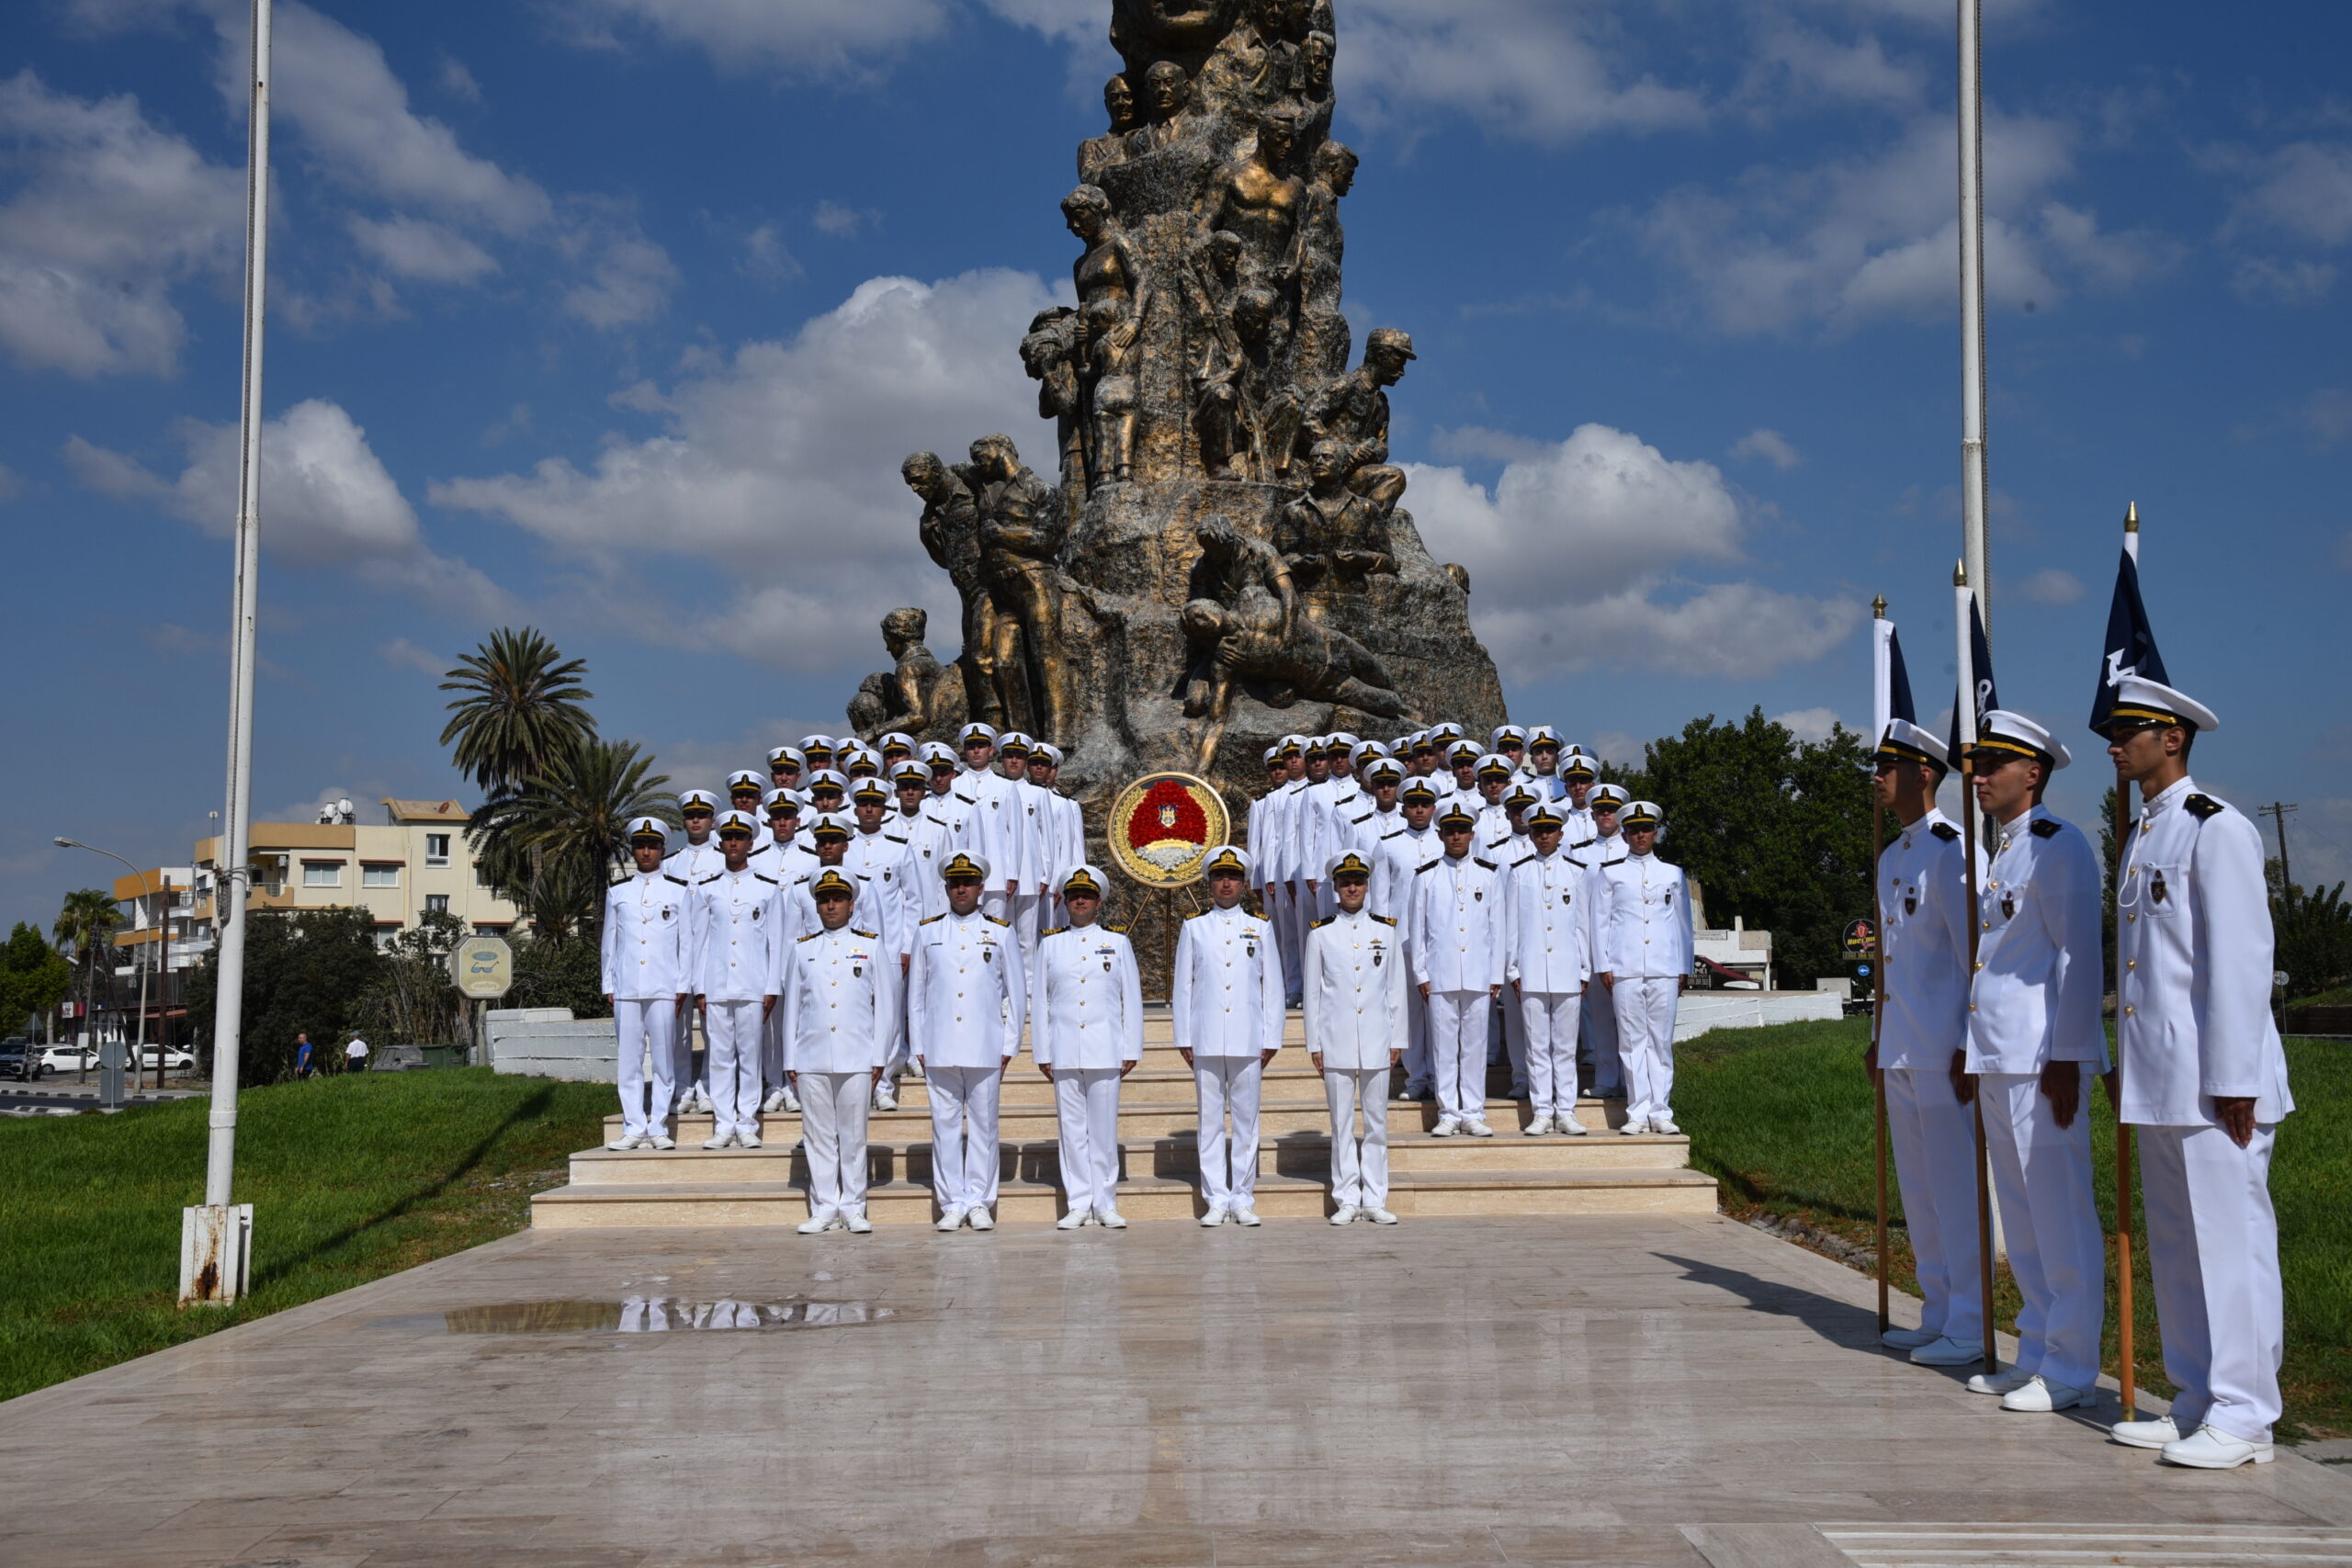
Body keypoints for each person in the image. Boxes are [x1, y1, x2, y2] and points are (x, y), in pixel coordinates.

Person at [2098, 677, 2295, 1469]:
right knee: (2178, 1245)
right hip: (2161, 1077)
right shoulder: (2143, 835)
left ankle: (2247, 1414)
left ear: (2173, 737)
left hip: (2219, 1083)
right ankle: (2196, 1399)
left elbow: (2245, 960)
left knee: (2232, 1240)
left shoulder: (2218, 828)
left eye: (2129, 728)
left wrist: (2238, 1076)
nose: (2115, 739)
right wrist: (2126, 1064)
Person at [1961, 710, 2108, 1415]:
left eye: (1993, 765)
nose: (1979, 777)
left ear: (2034, 773)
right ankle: (2039, 1351)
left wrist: (2070, 1056)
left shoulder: (2060, 845)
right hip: (1999, 1055)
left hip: (2039, 1058)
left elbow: (2078, 957)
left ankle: (2074, 1365)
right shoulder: (2004, 853)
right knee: (2021, 1218)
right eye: (1978, 764)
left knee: (2059, 1212)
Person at [1867, 719, 1987, 1368]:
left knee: (1954, 1187)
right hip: (1901, 1045)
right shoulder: (1892, 856)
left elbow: (1976, 958)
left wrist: (1974, 1041)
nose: (1878, 778)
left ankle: (1970, 1319)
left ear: (1925, 773)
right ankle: (1938, 1308)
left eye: (1889, 766)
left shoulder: (1954, 850)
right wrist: (1876, 1037)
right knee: (1919, 1189)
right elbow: (1890, 961)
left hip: (1945, 1047)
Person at [909, 852, 1025, 1233]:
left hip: (985, 1045)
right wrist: (918, 1046)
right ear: (946, 888)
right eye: (955, 883)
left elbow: (1017, 994)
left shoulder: (1001, 931)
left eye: (968, 883)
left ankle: (978, 1200)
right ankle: (951, 1202)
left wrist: (1009, 1046)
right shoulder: (927, 932)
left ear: (979, 888)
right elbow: (917, 997)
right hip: (939, 1045)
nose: (961, 889)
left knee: (984, 1126)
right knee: (943, 1128)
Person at [1171, 846, 1286, 1226]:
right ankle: (1216, 1198)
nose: (1226, 883)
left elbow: (1273, 985)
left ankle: (1242, 1196)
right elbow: (1183, 987)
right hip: (1205, 1037)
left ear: (1243, 883)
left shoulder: (1261, 926)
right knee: (1209, 1122)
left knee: (1246, 1121)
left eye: (1233, 877)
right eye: (1220, 876)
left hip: (1248, 1037)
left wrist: (1271, 1038)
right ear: (1209, 882)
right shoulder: (1194, 927)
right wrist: (1183, 1037)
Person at [780, 868, 895, 1235]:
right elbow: (792, 1009)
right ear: (816, 906)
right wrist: (789, 1059)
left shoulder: (871, 946)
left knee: (854, 1135)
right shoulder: (802, 949)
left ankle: (854, 1206)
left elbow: (887, 1009)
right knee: (817, 1136)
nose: (831, 905)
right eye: (824, 900)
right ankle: (825, 1205)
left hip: (857, 1055)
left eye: (838, 899)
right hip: (811, 1055)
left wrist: (880, 1059)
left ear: (851, 904)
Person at [1033, 864, 1144, 1229]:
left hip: (1105, 1048)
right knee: (1072, 1131)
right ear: (1065, 902)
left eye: (1087, 895)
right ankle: (1078, 1202)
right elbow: (1041, 1003)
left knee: (1103, 1131)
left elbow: (1132, 998)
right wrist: (1042, 1052)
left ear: (1099, 902)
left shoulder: (1117, 942)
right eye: (1073, 895)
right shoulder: (1049, 944)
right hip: (1064, 1049)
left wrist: (1131, 1049)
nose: (1080, 900)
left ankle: (1106, 1202)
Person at [1304, 850, 1407, 1224]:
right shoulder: (1321, 934)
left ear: (1368, 886)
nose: (1352, 888)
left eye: (1358, 882)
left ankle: (1376, 1197)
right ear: (1335, 887)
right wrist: (1314, 1044)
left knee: (1377, 1123)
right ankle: (1347, 1196)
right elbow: (1314, 994)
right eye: (1345, 882)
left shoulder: (1385, 930)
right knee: (1342, 1124)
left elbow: (1396, 990)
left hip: (1378, 1038)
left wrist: (1399, 1039)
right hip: (1336, 1039)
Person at [1592, 802, 1691, 1136]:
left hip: (1664, 967)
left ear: (1655, 833)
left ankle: (1661, 1110)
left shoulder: (1672, 873)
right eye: (1633, 830)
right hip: (1626, 967)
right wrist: (1604, 964)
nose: (1640, 835)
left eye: (1645, 829)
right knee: (1632, 1042)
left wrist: (1683, 966)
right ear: (1624, 834)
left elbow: (1682, 926)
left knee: (1660, 1042)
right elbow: (1600, 923)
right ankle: (1637, 1111)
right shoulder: (1611, 873)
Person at [1409, 802, 1505, 1138]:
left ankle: (1474, 1111)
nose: (1456, 836)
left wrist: (1496, 975)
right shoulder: (1426, 877)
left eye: (1461, 830)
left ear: (1472, 834)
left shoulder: (1488, 875)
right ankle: (1448, 1112)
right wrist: (1421, 974)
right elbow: (1417, 931)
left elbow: (1498, 930)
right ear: (1440, 835)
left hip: (1478, 975)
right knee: (1444, 1047)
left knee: (1475, 1046)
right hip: (1440, 974)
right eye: (1450, 831)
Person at [1499, 804, 1595, 1136]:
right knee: (1537, 1045)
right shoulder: (1518, 872)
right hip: (1531, 970)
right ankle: (1542, 1110)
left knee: (1566, 1047)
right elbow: (1510, 925)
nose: (1544, 836)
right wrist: (1512, 969)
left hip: (1568, 970)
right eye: (1538, 830)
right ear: (1531, 833)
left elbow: (1583, 926)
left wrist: (1585, 970)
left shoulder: (1577, 872)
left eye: (1550, 830)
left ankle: (1566, 1110)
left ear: (1560, 834)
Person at [688, 811, 782, 1150]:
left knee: (750, 1056)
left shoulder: (768, 888)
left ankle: (747, 1123)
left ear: (750, 843)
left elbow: (776, 943)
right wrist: (699, 987)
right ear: (721, 842)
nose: (733, 843)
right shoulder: (707, 889)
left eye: (740, 838)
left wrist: (772, 987)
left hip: (753, 985)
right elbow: (698, 941)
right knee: (720, 1058)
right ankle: (724, 1124)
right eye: (728, 837)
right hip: (716, 985)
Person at [600, 818, 690, 1151]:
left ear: (663, 850)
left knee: (664, 1060)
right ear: (634, 850)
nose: (647, 851)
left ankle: (658, 1125)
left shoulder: (678, 891)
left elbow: (687, 943)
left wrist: (683, 983)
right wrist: (608, 982)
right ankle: (633, 1126)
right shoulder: (617, 892)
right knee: (629, 1061)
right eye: (641, 846)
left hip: (664, 986)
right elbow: (609, 942)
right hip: (626, 987)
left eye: (652, 846)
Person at [1380, 777, 1443, 1100]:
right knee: (1409, 1013)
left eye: (1425, 804)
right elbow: (1380, 898)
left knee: (1440, 1013)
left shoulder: (1445, 841)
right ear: (1403, 809)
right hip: (1402, 938)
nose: (1419, 810)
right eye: (1413, 804)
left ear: (1434, 807)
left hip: (1441, 941)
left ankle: (1441, 1077)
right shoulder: (1389, 844)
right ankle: (1417, 1076)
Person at [1578, 784, 1632, 1100]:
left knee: (1629, 1020)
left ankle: (1630, 1080)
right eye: (1600, 810)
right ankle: (1606, 1078)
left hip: (1627, 947)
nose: (1605, 815)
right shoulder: (1580, 852)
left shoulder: (1633, 850)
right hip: (1592, 944)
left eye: (1611, 810)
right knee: (1600, 1018)